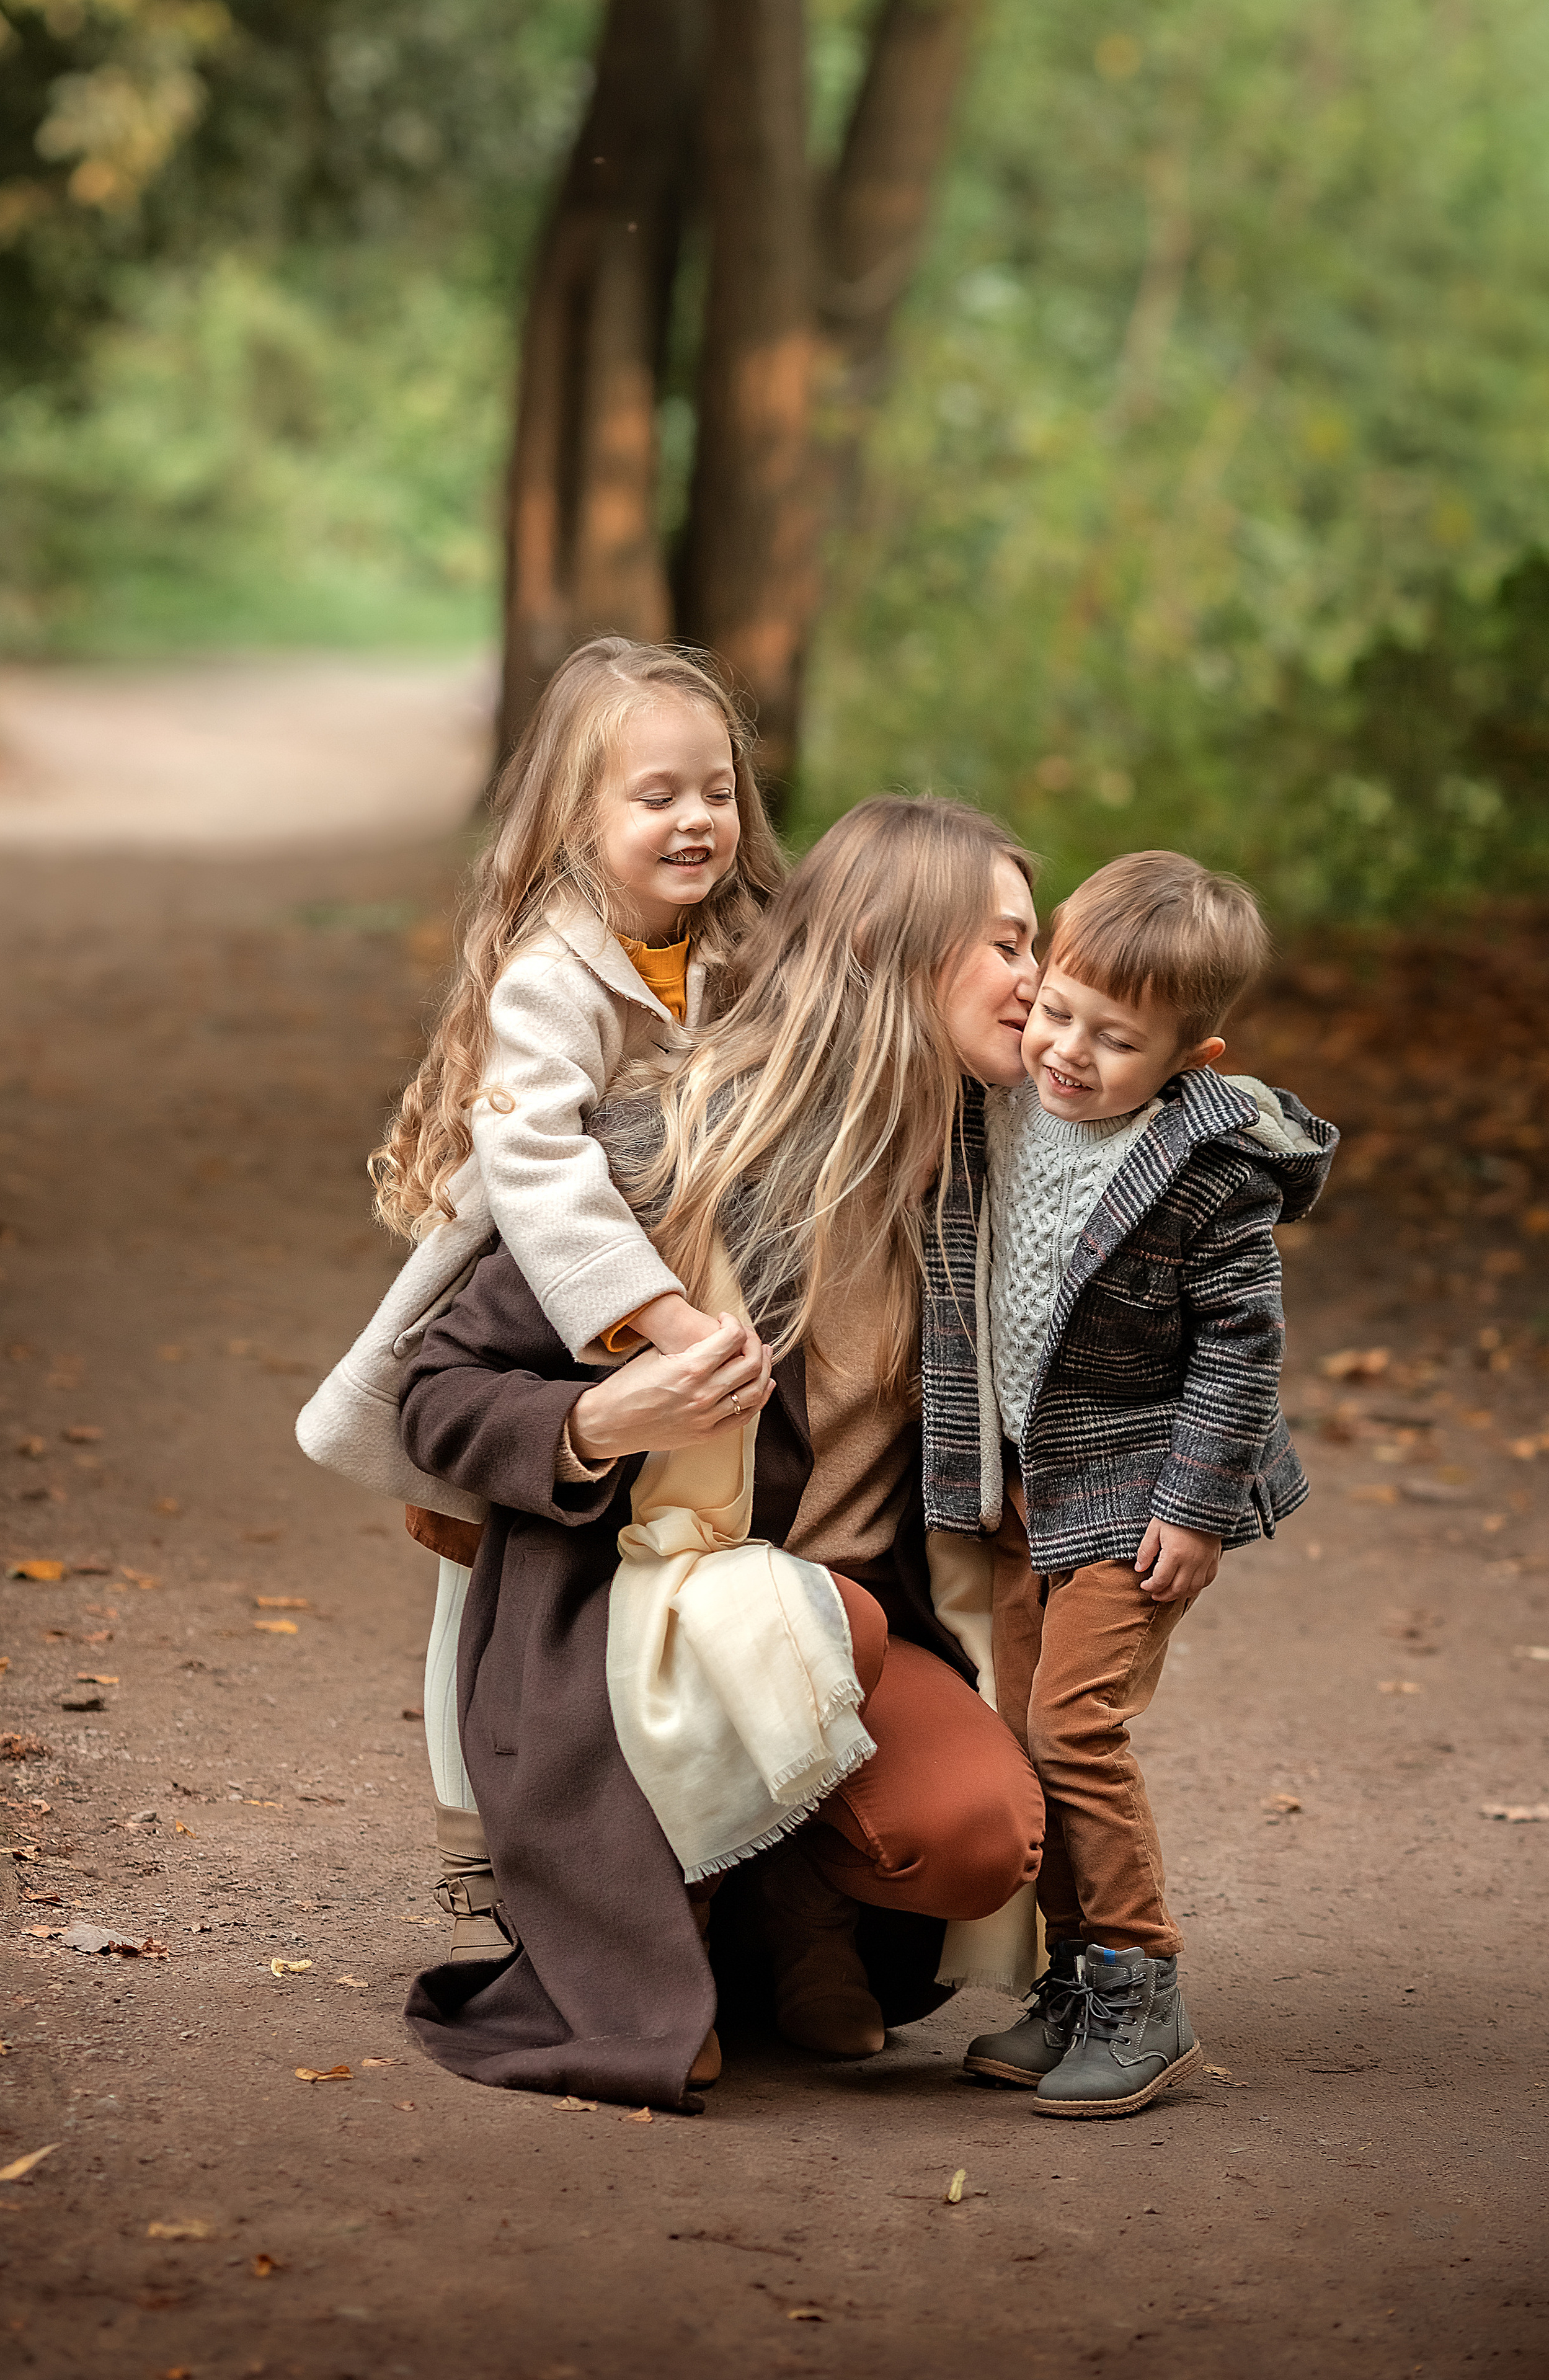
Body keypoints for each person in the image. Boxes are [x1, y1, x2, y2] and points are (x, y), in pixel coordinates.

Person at [396, 797, 1050, 2109]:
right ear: (900, 946)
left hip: (849, 1625)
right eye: (1007, 945)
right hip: (631, 1629)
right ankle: (662, 1925)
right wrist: (598, 1420)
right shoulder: (667, 1146)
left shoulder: (978, 1182)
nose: (1037, 983)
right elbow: (438, 1388)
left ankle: (790, 1905)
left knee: (980, 1835)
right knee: (816, 1618)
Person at [300, 636, 784, 1954]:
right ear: (578, 819)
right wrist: (659, 1319)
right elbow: (539, 1163)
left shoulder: (743, 949)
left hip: (683, 1280)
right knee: (481, 1554)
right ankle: (471, 1837)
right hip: (532, 1302)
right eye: (655, 795)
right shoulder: (553, 971)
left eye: (717, 791)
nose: (697, 819)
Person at [957, 851, 1338, 2117]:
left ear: (1189, 1056)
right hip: (1030, 1482)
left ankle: (1141, 1978)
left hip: (1141, 1482)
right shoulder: (998, 1104)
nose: (1064, 1050)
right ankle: (1071, 1977)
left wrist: (1191, 1502)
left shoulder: (1202, 1167)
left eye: (1111, 1040)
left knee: (1076, 1724)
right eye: (1053, 1008)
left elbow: (1239, 1342)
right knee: (1025, 1733)